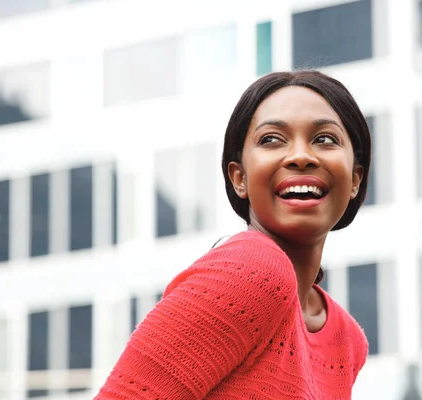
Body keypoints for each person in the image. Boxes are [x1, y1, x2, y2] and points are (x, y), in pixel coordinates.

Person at [95, 70, 372, 399]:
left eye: (325, 139)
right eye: (271, 139)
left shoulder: (346, 339)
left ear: (355, 178)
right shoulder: (253, 271)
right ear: (238, 178)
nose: (300, 156)